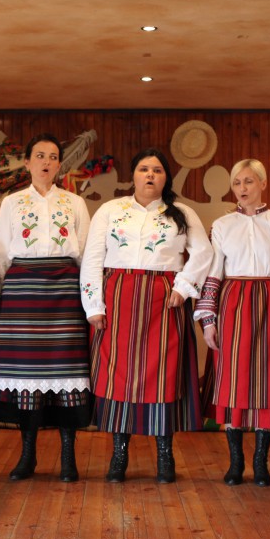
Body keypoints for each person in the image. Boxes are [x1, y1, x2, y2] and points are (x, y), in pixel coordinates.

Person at [81, 147, 213, 483]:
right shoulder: (111, 210)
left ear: (166, 177)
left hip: (164, 301)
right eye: (143, 169)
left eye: (157, 170)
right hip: (118, 299)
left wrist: (183, 287)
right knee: (118, 376)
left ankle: (165, 454)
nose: (150, 175)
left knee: (164, 375)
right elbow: (92, 258)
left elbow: (203, 253)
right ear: (134, 175)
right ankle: (119, 454)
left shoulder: (181, 212)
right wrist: (94, 306)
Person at [195, 159, 270, 486]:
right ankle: (236, 463)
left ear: (263, 183)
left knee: (267, 378)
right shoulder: (222, 225)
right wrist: (208, 319)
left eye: (248, 181)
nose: (242, 188)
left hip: (268, 302)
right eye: (237, 183)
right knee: (232, 378)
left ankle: (261, 463)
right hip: (232, 303)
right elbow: (213, 271)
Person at [0, 133, 93, 482]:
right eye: (39, 155)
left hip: (65, 291)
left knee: (69, 380)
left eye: (52, 156)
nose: (46, 162)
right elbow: (0, 256)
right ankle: (28, 456)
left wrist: (88, 300)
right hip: (21, 292)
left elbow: (86, 254)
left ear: (59, 164)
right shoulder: (12, 203)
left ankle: (68, 456)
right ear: (27, 162)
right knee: (25, 381)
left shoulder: (75, 203)